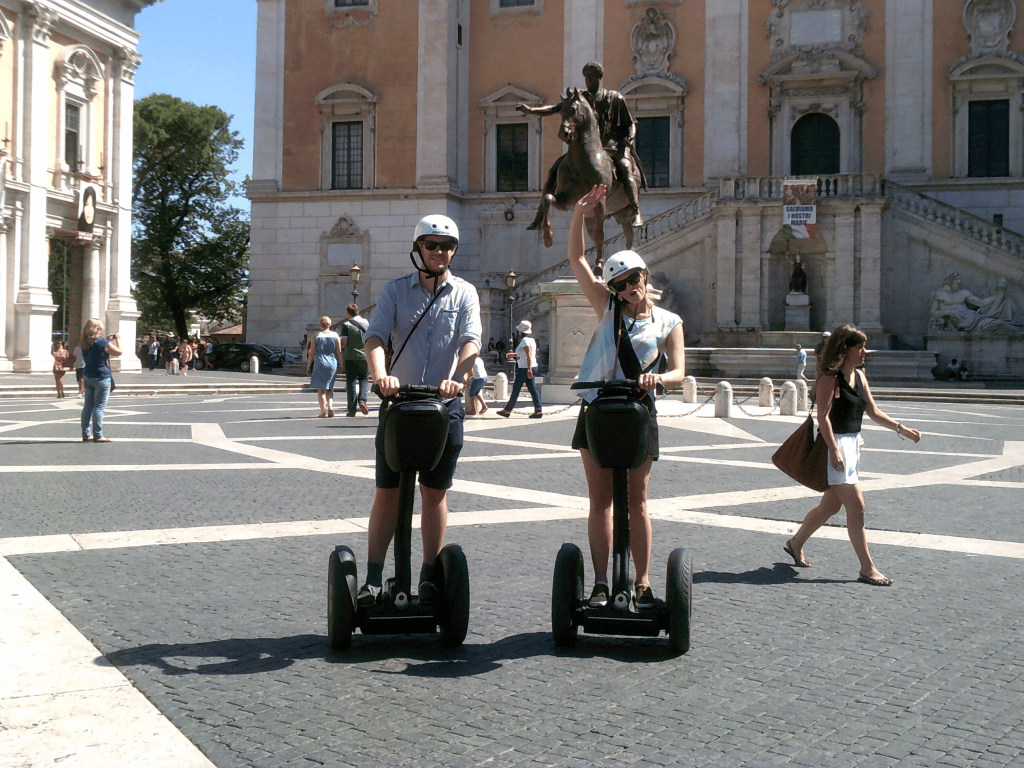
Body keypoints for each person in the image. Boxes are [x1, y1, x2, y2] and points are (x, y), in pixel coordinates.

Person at [567, 185, 686, 609]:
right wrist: (580, 214)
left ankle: (643, 581)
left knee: (636, 501)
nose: (629, 288)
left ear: (645, 276)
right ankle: (600, 583)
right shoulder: (607, 308)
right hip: (598, 408)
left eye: (633, 279)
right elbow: (578, 260)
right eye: (619, 284)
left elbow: (679, 371)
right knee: (600, 501)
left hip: (638, 411)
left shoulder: (670, 321)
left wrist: (660, 381)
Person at [356, 213, 481, 609]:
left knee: (435, 494)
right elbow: (375, 337)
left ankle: (429, 574)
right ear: (418, 249)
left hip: (444, 406)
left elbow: (471, 341)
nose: (440, 252)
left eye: (447, 246)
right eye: (432, 245)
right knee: (387, 493)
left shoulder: (464, 293)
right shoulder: (396, 291)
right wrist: (380, 376)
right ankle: (374, 577)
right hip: (400, 404)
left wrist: (460, 377)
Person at [782, 324, 922, 587]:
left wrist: (902, 429)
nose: (864, 352)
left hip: (853, 446)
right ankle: (867, 568)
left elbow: (874, 412)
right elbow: (823, 417)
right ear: (845, 350)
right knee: (856, 506)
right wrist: (834, 450)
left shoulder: (860, 376)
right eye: (860, 347)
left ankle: (795, 542)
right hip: (834, 448)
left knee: (830, 506)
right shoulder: (829, 378)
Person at [518, 62, 645, 228]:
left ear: (599, 77)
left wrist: (631, 136)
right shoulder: (580, 99)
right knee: (554, 170)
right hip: (588, 147)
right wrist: (530, 111)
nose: (588, 80)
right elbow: (555, 109)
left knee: (626, 168)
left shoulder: (615, 98)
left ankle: (636, 211)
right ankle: (541, 213)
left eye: (591, 76)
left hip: (611, 145)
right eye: (586, 77)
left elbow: (630, 123)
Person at [79, 318, 122, 442]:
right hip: (101, 376)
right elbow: (119, 352)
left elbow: (96, 350)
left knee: (87, 406)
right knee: (99, 407)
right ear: (98, 329)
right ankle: (98, 434)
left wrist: (107, 341)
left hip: (88, 376)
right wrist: (118, 340)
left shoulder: (84, 342)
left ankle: (86, 434)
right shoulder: (101, 342)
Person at [498, 320, 543, 418]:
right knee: (532, 389)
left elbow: (529, 354)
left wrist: (528, 369)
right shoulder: (531, 339)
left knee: (516, 389)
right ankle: (538, 410)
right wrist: (514, 354)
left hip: (525, 368)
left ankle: (507, 410)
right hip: (531, 366)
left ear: (521, 331)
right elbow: (526, 353)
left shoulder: (525, 340)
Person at [339, 303, 370, 417]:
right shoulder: (366, 323)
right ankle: (363, 400)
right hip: (364, 356)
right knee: (364, 379)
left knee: (351, 381)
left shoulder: (346, 325)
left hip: (351, 357)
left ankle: (352, 410)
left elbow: (343, 343)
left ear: (348, 313)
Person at [307, 315, 341, 418]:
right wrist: (341, 364)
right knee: (330, 388)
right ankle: (330, 406)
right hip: (332, 363)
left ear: (320, 324)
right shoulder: (335, 335)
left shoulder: (316, 335)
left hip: (320, 362)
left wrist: (308, 366)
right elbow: (339, 352)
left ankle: (323, 411)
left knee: (321, 389)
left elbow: (312, 352)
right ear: (330, 324)